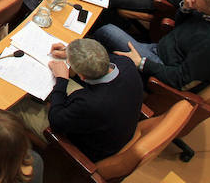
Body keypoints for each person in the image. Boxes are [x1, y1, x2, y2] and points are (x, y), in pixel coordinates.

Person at [12, 39, 143, 162]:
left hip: (91, 148)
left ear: (81, 76)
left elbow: (56, 121)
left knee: (16, 106)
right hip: (114, 122)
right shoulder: (126, 64)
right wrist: (71, 52)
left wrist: (62, 80)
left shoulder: (89, 104)